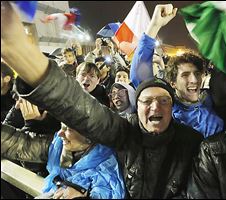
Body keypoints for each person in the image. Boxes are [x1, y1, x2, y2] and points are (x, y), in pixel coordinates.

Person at [1, 3, 203, 198]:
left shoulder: (192, 143)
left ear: (173, 106)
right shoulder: (125, 131)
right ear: (137, 106)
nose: (155, 106)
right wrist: (23, 54)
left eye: (164, 101)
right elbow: (79, 108)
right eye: (147, 101)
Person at [130, 4, 224, 138]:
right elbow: (139, 76)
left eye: (197, 74)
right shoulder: (166, 107)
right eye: (185, 75)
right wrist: (154, 26)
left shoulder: (212, 102)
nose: (194, 80)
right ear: (173, 83)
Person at [1, 123, 125, 199]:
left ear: (89, 137)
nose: (60, 134)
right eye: (62, 127)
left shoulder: (106, 169)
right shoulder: (59, 146)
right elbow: (21, 144)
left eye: (69, 129)